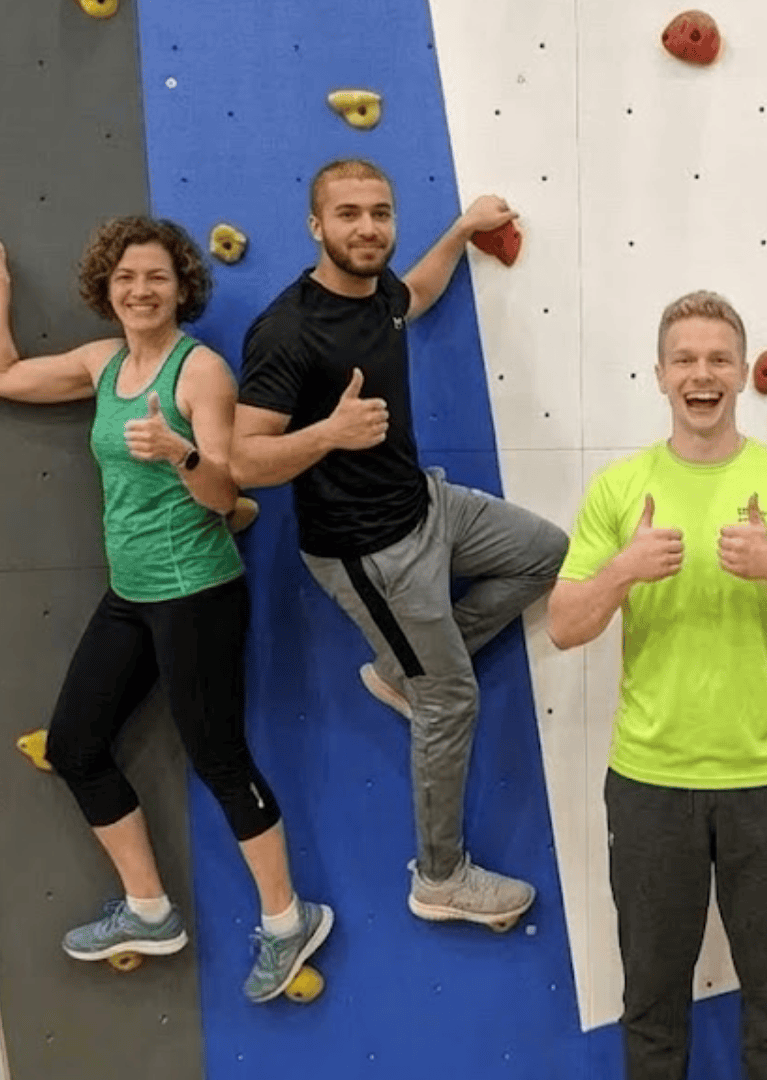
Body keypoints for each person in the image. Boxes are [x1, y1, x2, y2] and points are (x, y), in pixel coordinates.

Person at [0, 219, 331, 1003]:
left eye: (156, 277)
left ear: (180, 286)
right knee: (76, 745)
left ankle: (290, 921)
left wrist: (182, 452)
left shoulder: (202, 376)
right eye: (126, 277)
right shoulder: (102, 363)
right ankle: (150, 910)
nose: (140, 289)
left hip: (198, 592)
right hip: (131, 593)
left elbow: (228, 493)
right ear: (106, 287)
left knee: (219, 760)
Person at [231, 159, 568, 929]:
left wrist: (459, 230)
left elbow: (413, 295)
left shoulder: (378, 292)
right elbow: (244, 460)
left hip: (427, 506)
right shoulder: (287, 330)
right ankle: (441, 878)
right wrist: (330, 432)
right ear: (317, 226)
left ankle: (399, 670)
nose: (367, 228)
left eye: (380, 213)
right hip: (369, 555)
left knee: (549, 554)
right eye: (347, 214)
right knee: (452, 698)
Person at [547, 291, 767, 1080]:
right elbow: (563, 625)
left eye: (718, 358)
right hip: (651, 786)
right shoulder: (620, 490)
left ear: (742, 374)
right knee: (651, 1010)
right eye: (684, 359)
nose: (702, 373)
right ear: (659, 375)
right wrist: (624, 569)